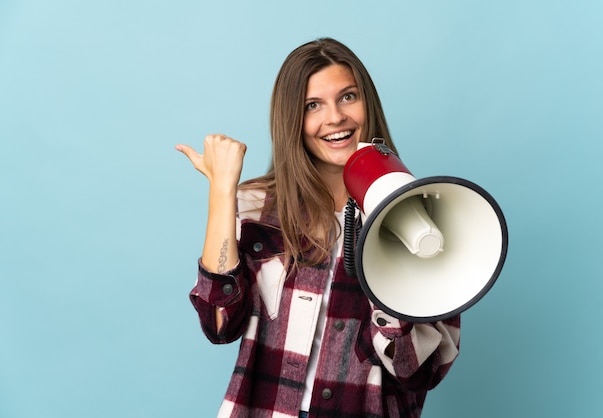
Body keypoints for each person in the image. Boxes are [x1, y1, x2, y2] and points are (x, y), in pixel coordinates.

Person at [176, 37, 460, 418]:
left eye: (347, 97)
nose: (335, 118)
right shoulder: (255, 206)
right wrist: (223, 191)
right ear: (292, 118)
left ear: (367, 104)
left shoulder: (423, 218)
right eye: (313, 105)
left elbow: (419, 371)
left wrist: (391, 258)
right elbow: (219, 324)